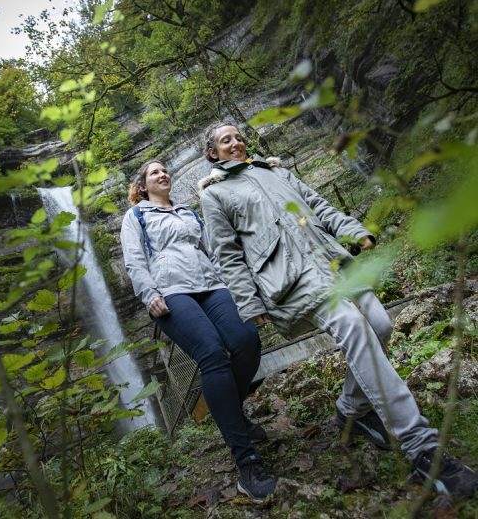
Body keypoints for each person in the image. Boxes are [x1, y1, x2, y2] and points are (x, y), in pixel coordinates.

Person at [198, 122, 478, 500]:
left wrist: (351, 230)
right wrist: (249, 302)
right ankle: (421, 448)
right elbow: (227, 254)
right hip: (292, 278)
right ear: (213, 153)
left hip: (330, 261)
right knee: (354, 327)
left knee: (379, 325)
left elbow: (317, 205)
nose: (235, 142)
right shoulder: (216, 195)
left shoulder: (275, 171)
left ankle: (350, 410)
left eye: (237, 136)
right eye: (225, 140)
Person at [120, 159, 277, 502]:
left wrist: (234, 285)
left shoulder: (188, 212)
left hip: (211, 284)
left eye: (165, 170)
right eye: (154, 173)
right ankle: (247, 461)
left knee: (246, 339)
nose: (163, 174)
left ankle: (230, 411)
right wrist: (149, 293)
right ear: (143, 186)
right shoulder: (137, 216)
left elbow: (215, 249)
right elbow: (134, 259)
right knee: (212, 355)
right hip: (171, 292)